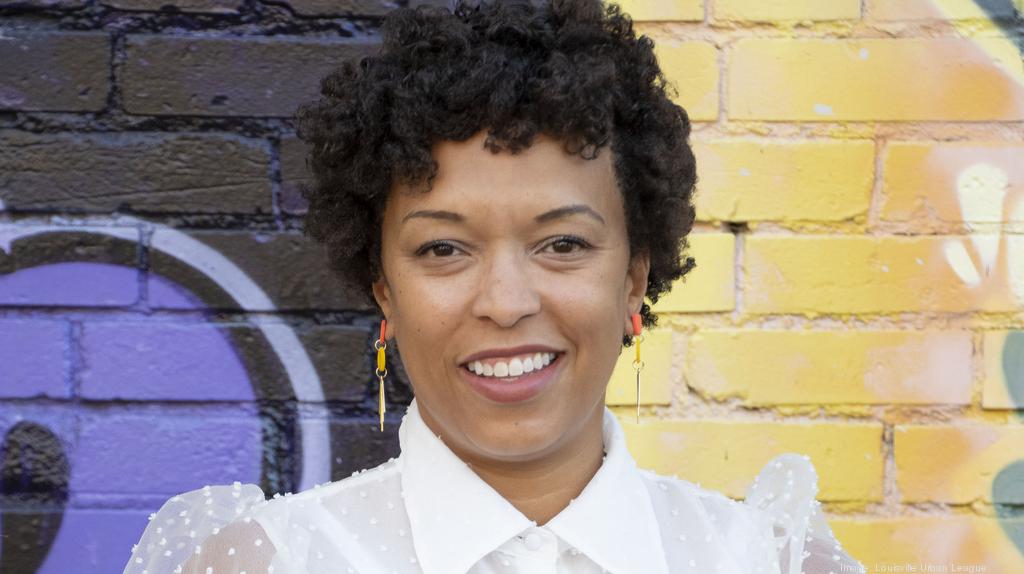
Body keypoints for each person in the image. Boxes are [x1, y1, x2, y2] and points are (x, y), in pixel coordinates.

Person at [123, 1, 866, 573]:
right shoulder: (266, 563)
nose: (506, 303)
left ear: (634, 280)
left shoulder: (765, 562)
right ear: (384, 290)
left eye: (563, 244)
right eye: (444, 249)